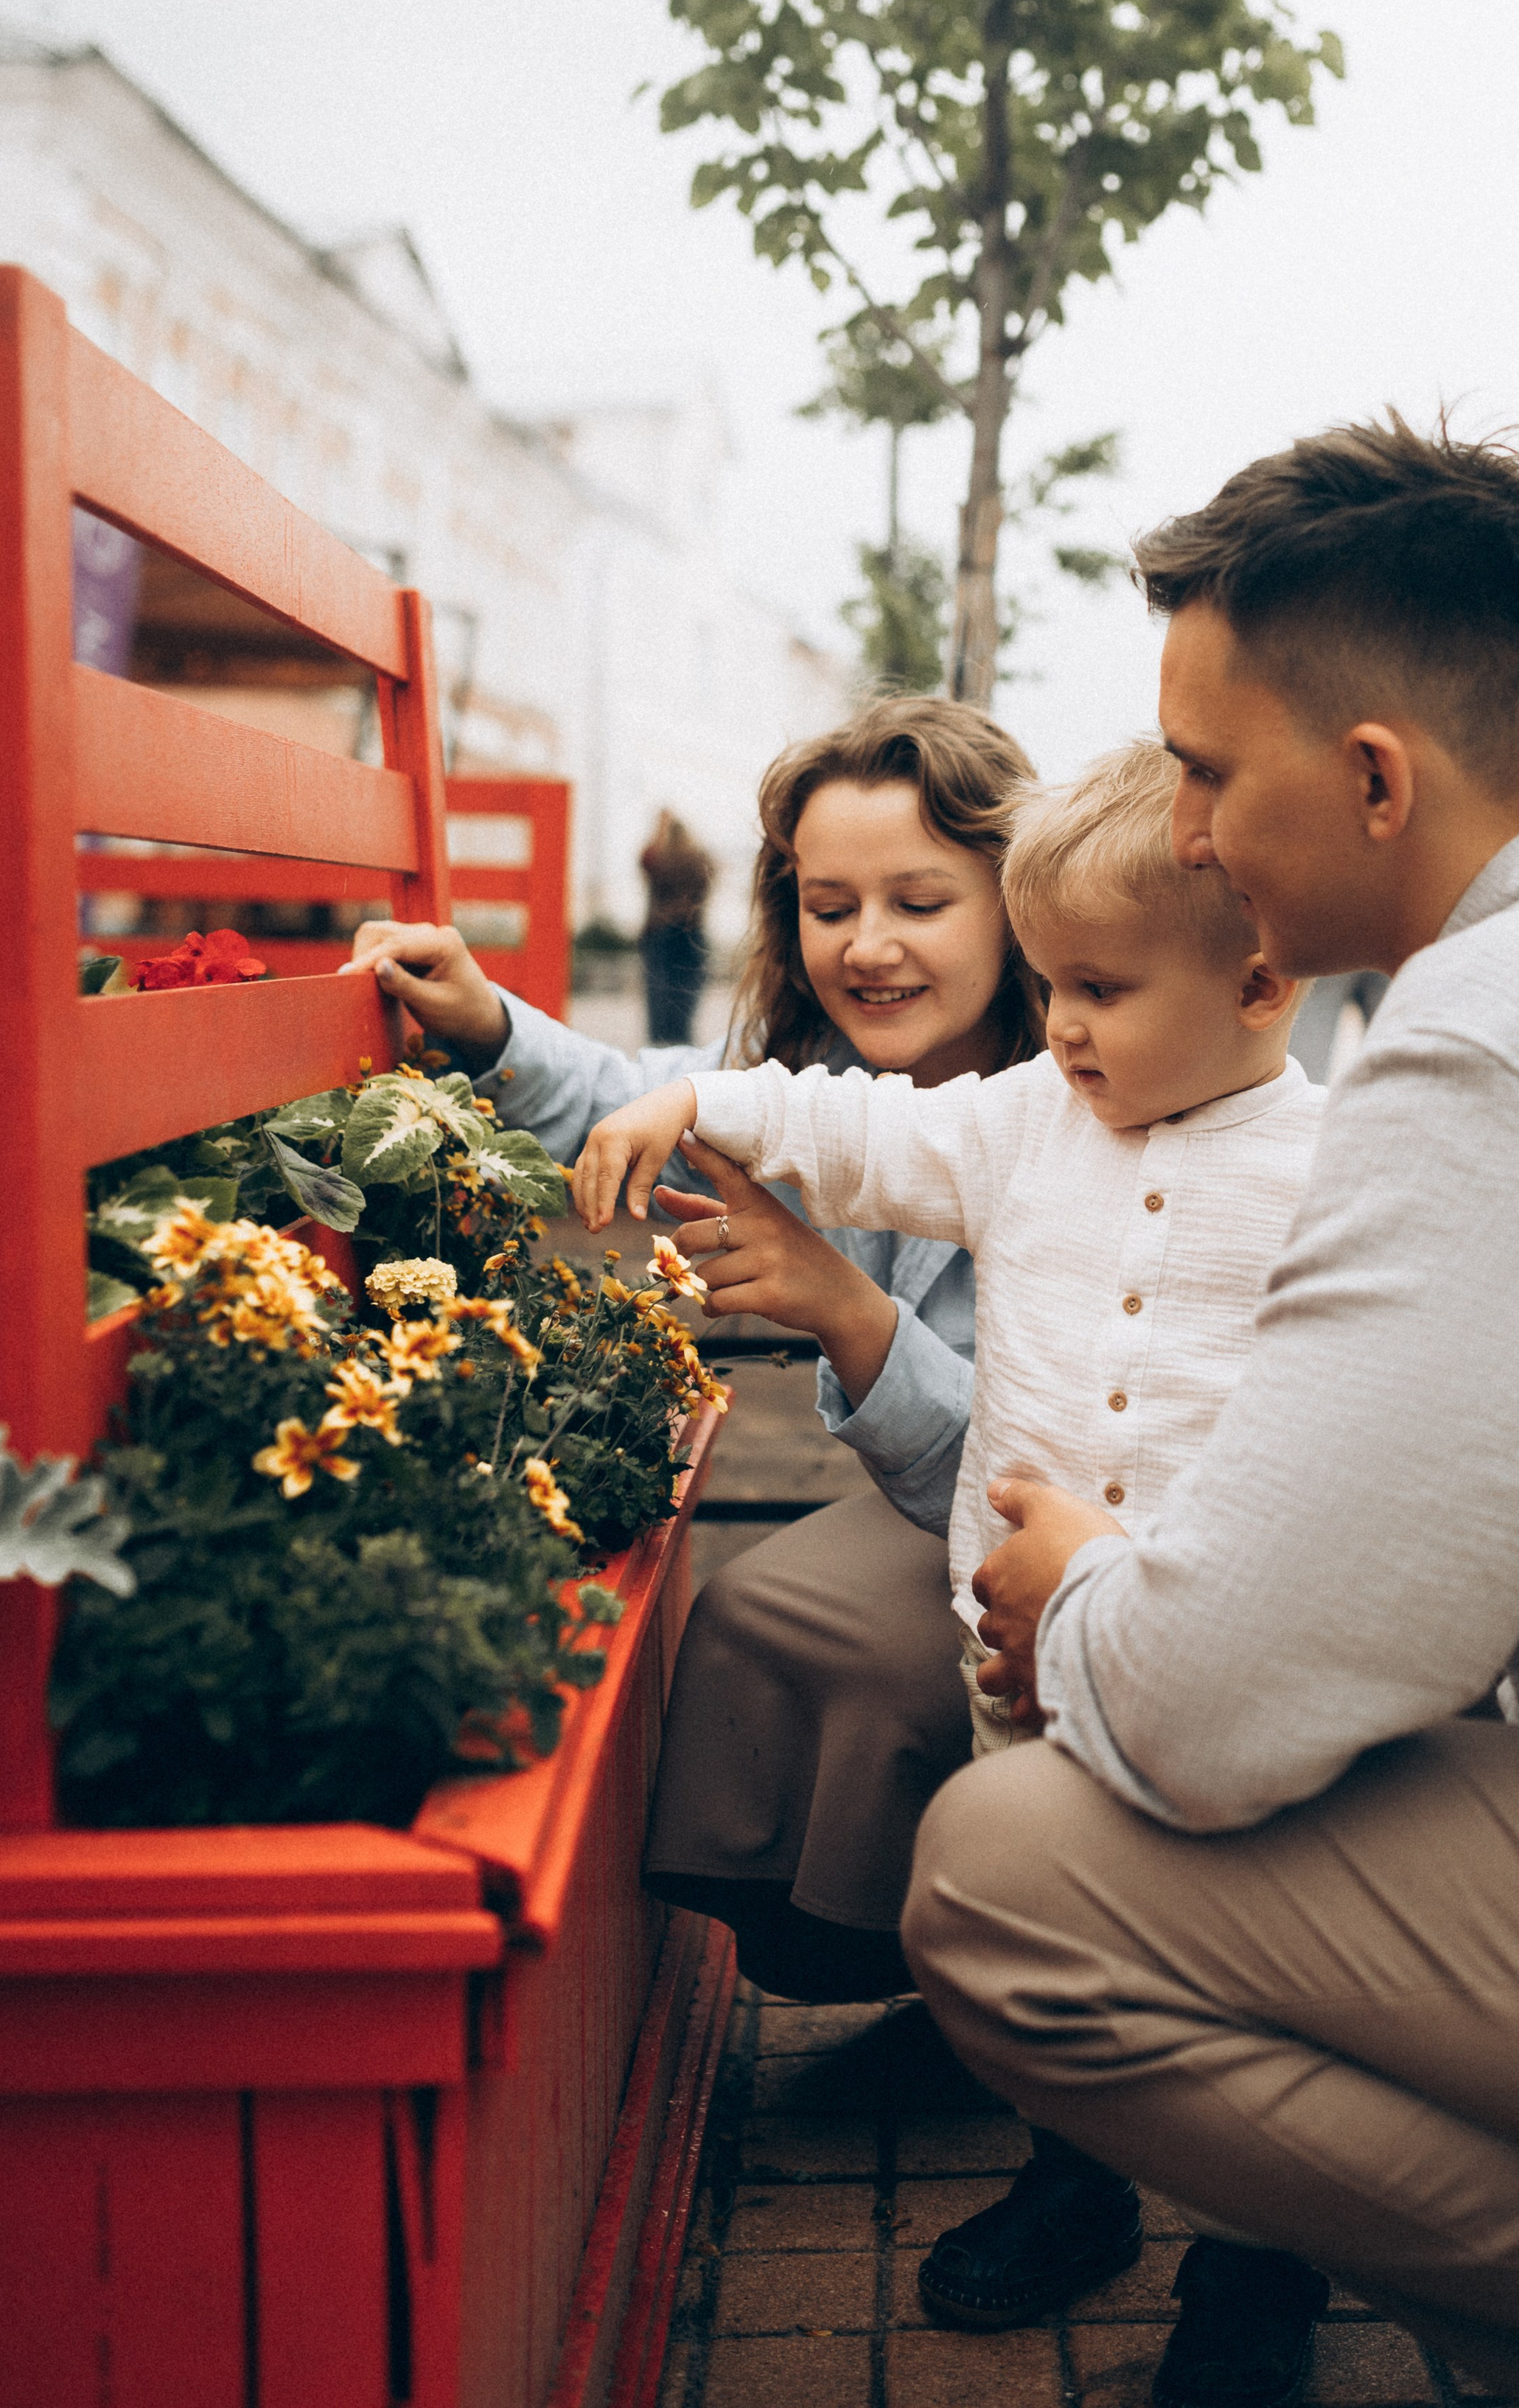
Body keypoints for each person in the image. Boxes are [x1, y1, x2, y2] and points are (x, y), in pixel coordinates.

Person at [901, 417, 1519, 2408]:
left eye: (1203, 769)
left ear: (1370, 779)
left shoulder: (1505, 1036)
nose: (1184, 834)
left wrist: (1079, 1584)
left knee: (1008, 1870)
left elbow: (1213, 1710)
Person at [343, 701, 1150, 2317]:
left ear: (1018, 895)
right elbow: (662, 1103)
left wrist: (841, 1311)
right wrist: (491, 1023)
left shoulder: (1087, 1088)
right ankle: (961, 1977)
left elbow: (1012, 1475)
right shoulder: (859, 1075)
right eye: (825, 901)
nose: (864, 945)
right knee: (769, 1613)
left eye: (917, 901)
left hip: (1093, 1543)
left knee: (840, 1638)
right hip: (956, 1505)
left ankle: (1062, 2056)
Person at [574, 740, 1322, 2333]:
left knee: (1251, 1958)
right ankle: (1070, 2178)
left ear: (1260, 983)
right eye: (1048, 984)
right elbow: (845, 1132)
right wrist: (693, 1097)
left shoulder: (1337, 1173)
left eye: (1099, 992)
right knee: (1052, 1928)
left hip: (1223, 1650)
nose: (1056, 1026)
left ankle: (1257, 2254)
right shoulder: (1020, 1122)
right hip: (1016, 1653)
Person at [638, 809, 715, 1043]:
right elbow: (712, 876)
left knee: (658, 998)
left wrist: (660, 828)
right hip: (691, 931)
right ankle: (683, 1047)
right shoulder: (699, 859)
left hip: (660, 932)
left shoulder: (660, 859)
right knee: (686, 998)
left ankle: (660, 1049)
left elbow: (646, 860)